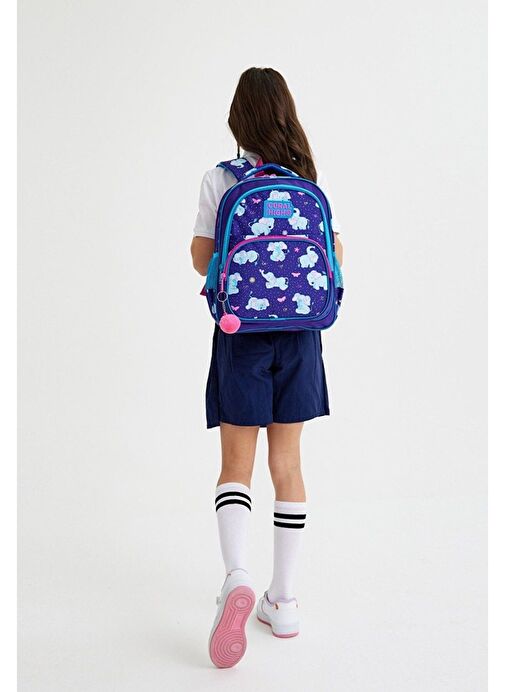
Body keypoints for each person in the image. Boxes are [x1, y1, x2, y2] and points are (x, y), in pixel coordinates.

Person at [190, 67, 344, 669]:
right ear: (287, 112)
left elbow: (202, 257)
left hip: (240, 336)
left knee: (236, 465)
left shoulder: (220, 178)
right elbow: (333, 255)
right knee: (289, 465)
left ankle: (237, 576)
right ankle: (284, 601)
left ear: (238, 118)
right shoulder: (309, 179)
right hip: (301, 338)